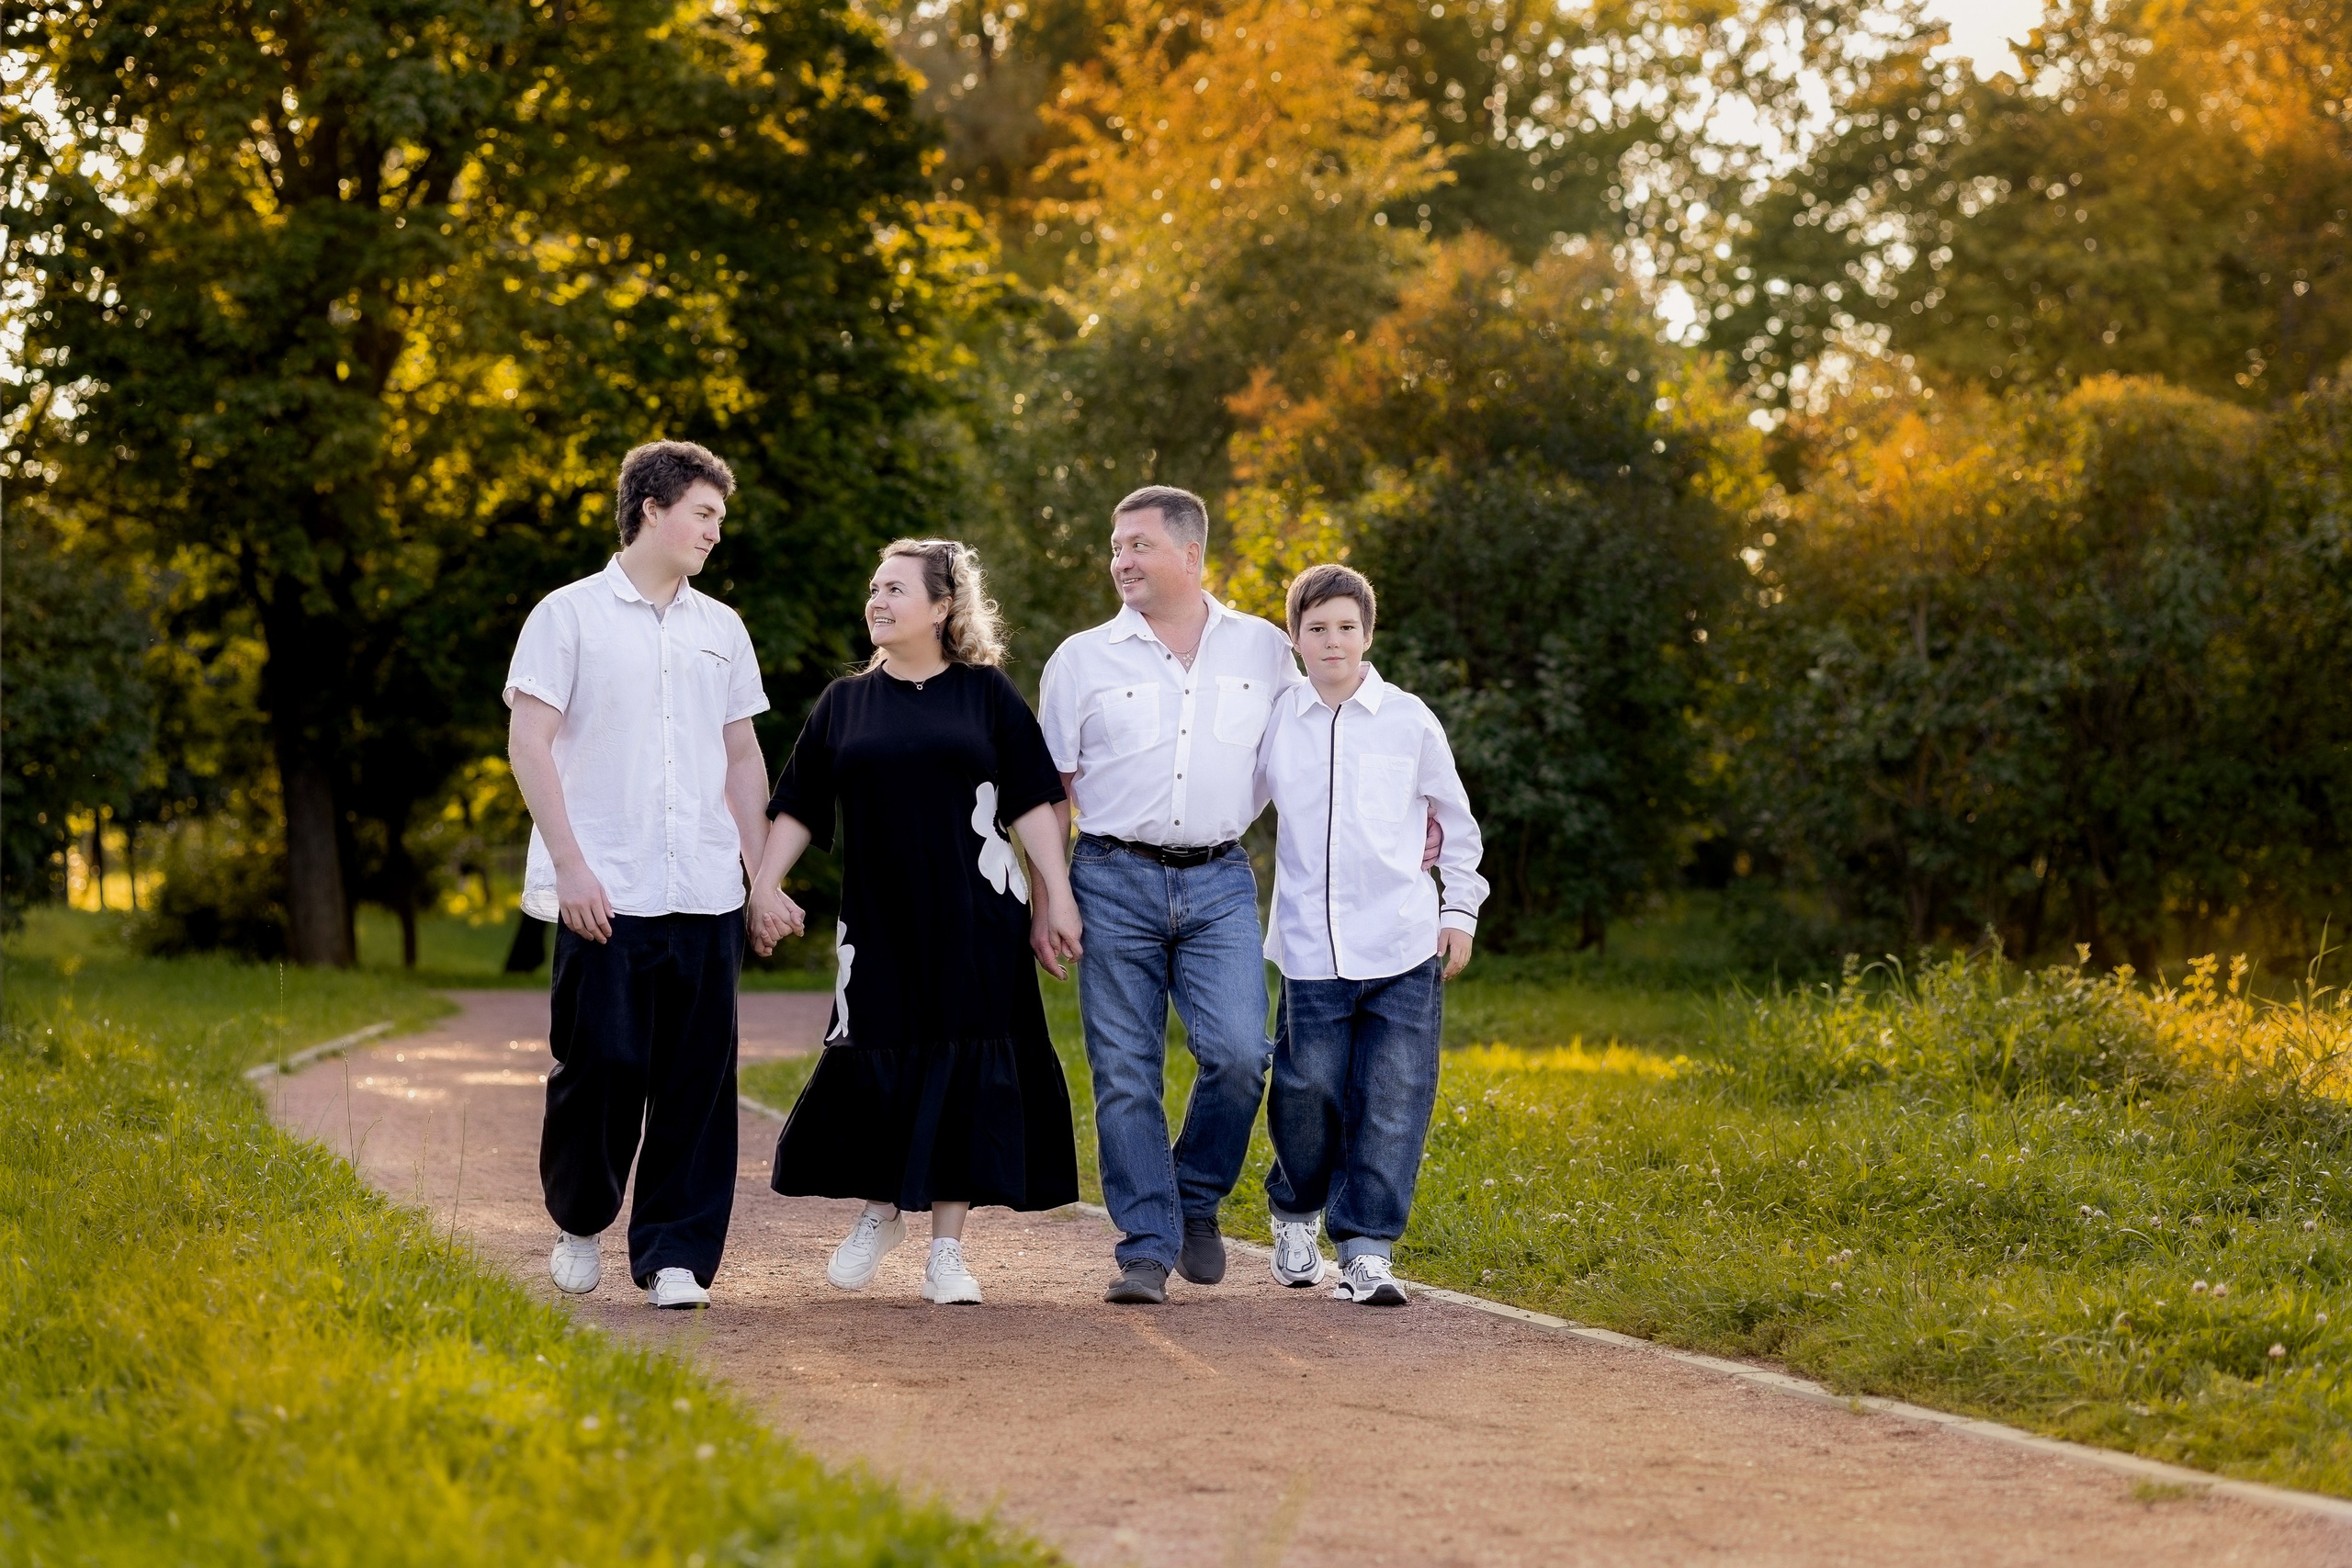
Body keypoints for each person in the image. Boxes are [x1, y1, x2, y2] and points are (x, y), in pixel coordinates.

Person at [748, 538, 1082, 1305]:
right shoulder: (844, 703)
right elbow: (798, 804)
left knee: (963, 1059)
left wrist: (1054, 895)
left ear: (941, 607)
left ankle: (947, 1250)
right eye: (874, 587)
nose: (877, 600)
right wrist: (765, 884)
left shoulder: (986, 693)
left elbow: (1034, 799)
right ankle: (879, 1207)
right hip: (876, 923)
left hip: (977, 916)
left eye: (895, 588)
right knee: (876, 1049)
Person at [504, 440, 776, 1311]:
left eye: (720, 520)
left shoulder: (721, 628)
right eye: (704, 514)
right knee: (603, 1063)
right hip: (604, 891)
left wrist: (762, 872)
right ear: (652, 508)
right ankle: (581, 1218)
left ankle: (676, 1256)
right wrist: (572, 866)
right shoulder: (567, 615)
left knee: (700, 1082)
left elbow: (740, 754)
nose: (714, 533)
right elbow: (529, 741)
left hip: (704, 889)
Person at [1036, 486, 1304, 1304]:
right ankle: (1145, 1246)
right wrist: (1052, 896)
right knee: (1124, 1071)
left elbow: (1312, 752)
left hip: (1222, 877)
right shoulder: (1080, 658)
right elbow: (1050, 788)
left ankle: (1193, 1195)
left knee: (1238, 1055)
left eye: (1139, 544)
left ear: (1191, 554)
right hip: (1109, 876)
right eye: (1116, 546)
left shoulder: (1263, 649)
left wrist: (1413, 823)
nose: (1121, 559)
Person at [1256, 564, 1487, 1306]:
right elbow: (1226, 807)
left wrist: (1459, 912)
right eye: (1317, 628)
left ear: (1369, 633)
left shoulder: (1409, 718)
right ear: (1295, 638)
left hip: (1403, 942)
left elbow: (1456, 822)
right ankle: (1294, 1211)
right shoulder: (1276, 719)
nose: (1333, 641)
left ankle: (1365, 1248)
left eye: (1346, 627)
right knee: (1306, 1089)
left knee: (1394, 1096)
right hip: (1310, 948)